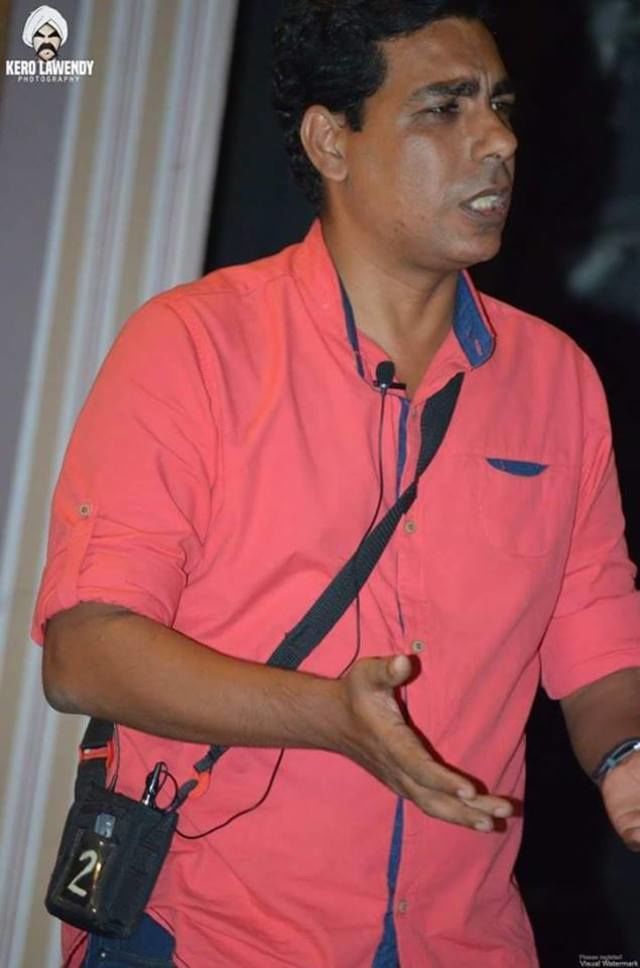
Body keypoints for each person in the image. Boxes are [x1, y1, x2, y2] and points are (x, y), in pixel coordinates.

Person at [34, 1, 640, 966]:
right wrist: (327, 716)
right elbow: (84, 653)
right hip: (212, 934)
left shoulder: (558, 381)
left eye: (499, 105)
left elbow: (599, 641)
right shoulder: (194, 346)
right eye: (444, 108)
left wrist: (626, 755)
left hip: (465, 939)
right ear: (331, 141)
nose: (499, 141)